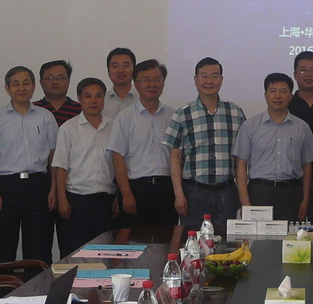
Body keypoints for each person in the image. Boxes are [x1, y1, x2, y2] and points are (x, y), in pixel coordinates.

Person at [0, 66, 57, 278]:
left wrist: (53, 189)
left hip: (39, 187)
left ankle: (38, 293)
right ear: (7, 88)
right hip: (6, 188)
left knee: (38, 249)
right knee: (3, 248)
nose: (21, 88)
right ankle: (1, 294)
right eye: (16, 84)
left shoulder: (45, 117)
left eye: (26, 83)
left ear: (33, 86)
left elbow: (54, 156)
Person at [164, 57, 246, 233]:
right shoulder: (182, 114)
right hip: (194, 192)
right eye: (204, 76)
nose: (209, 81)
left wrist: (241, 193)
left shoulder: (235, 113)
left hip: (227, 191)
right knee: (193, 242)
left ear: (221, 79)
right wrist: (179, 194)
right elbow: (175, 158)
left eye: (214, 76)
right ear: (196, 79)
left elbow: (241, 158)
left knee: (226, 243)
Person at [233, 73, 313, 221]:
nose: (278, 96)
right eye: (273, 91)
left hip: (292, 193)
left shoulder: (302, 127)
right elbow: (241, 165)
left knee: (291, 235)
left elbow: (307, 166)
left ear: (290, 96)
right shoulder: (250, 126)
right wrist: (244, 201)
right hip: (259, 192)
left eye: (283, 91)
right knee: (258, 236)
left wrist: (305, 199)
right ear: (265, 95)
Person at [107, 59, 177, 228]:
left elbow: (178, 157)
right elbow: (117, 158)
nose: (152, 84)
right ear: (136, 85)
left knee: (166, 240)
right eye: (146, 80)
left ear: (163, 83)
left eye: (157, 79)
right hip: (136, 189)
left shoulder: (173, 116)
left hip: (167, 189)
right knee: (134, 241)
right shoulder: (125, 117)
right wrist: (126, 194)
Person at [51, 78, 115, 256]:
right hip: (77, 202)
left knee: (104, 255)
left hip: (106, 202)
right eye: (88, 96)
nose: (93, 101)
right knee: (74, 254)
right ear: (79, 98)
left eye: (98, 96)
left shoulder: (113, 126)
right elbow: (60, 167)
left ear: (104, 98)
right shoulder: (68, 128)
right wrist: (62, 199)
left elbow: (118, 164)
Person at [33, 60, 81, 126]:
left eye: (61, 78)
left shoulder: (81, 110)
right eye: (50, 78)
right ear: (41, 82)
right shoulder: (32, 109)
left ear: (68, 82)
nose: (55, 82)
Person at [103, 48, 137, 120]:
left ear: (134, 70)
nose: (121, 70)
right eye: (115, 66)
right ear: (108, 72)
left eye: (126, 65)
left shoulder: (143, 100)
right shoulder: (101, 102)